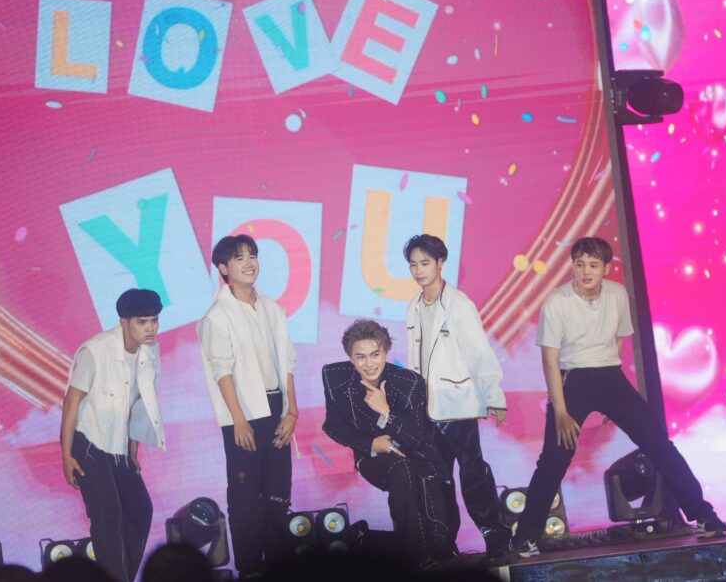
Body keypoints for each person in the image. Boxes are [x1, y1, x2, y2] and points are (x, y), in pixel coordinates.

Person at [510, 237, 726, 557]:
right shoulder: (557, 301)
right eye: (580, 264)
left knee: (659, 444)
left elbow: (617, 341)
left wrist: (613, 400)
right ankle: (525, 537)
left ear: (606, 268)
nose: (586, 271)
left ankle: (705, 516)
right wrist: (560, 411)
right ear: (573, 266)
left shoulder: (616, 294)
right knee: (554, 460)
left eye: (593, 265)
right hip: (573, 381)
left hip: (611, 379)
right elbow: (550, 360)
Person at [403, 234, 512, 559]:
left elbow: (479, 353)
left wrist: (494, 395)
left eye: (425, 263)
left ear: (440, 263)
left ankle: (496, 537)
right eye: (413, 265)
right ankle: (444, 544)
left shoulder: (459, 304)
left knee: (473, 474)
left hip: (458, 406)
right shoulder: (412, 308)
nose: (419, 270)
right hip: (426, 409)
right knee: (437, 482)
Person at [198, 234, 298, 578]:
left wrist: (292, 411)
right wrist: (238, 420)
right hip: (243, 414)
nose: (249, 263)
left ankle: (279, 565)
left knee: (278, 492)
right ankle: (251, 569)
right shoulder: (217, 316)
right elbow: (222, 371)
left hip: (276, 407)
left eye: (252, 255)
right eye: (239, 258)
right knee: (245, 496)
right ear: (224, 268)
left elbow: (288, 362)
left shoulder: (272, 308)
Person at [322, 319, 455, 568]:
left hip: (418, 455)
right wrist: (372, 443)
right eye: (360, 357)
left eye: (375, 354)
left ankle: (368, 541)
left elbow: (416, 439)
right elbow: (333, 426)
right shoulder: (335, 377)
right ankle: (417, 561)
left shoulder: (409, 382)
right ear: (350, 358)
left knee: (438, 542)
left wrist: (386, 411)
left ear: (385, 352)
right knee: (401, 470)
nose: (369, 363)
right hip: (373, 456)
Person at [60, 288, 166, 582]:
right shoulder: (96, 351)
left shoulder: (150, 352)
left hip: (117, 444)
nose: (150, 328)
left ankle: (120, 577)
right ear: (124, 322)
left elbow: (139, 403)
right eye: (142, 322)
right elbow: (71, 402)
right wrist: (66, 454)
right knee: (108, 514)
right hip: (87, 440)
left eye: (154, 321)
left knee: (140, 509)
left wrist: (132, 449)